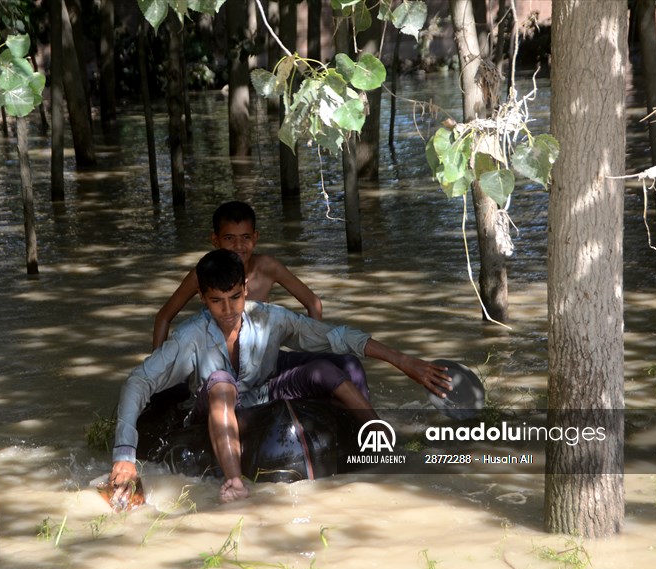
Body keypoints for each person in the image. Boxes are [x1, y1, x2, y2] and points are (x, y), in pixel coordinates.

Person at [109, 249, 452, 504]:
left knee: (325, 369)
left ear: (246, 287)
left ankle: (383, 444)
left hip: (262, 397)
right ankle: (234, 483)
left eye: (235, 297)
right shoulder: (189, 337)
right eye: (217, 301)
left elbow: (336, 336)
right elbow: (138, 381)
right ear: (202, 298)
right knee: (221, 382)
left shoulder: (269, 318)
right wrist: (124, 455)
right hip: (214, 409)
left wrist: (405, 362)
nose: (227, 310)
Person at [153, 200, 369, 399]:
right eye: (229, 238)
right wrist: (159, 371)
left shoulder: (267, 266)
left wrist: (314, 349)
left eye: (245, 237)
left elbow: (313, 303)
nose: (238, 246)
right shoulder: (203, 274)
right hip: (221, 365)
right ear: (215, 240)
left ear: (255, 238)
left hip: (265, 360)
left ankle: (364, 424)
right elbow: (164, 316)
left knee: (349, 363)